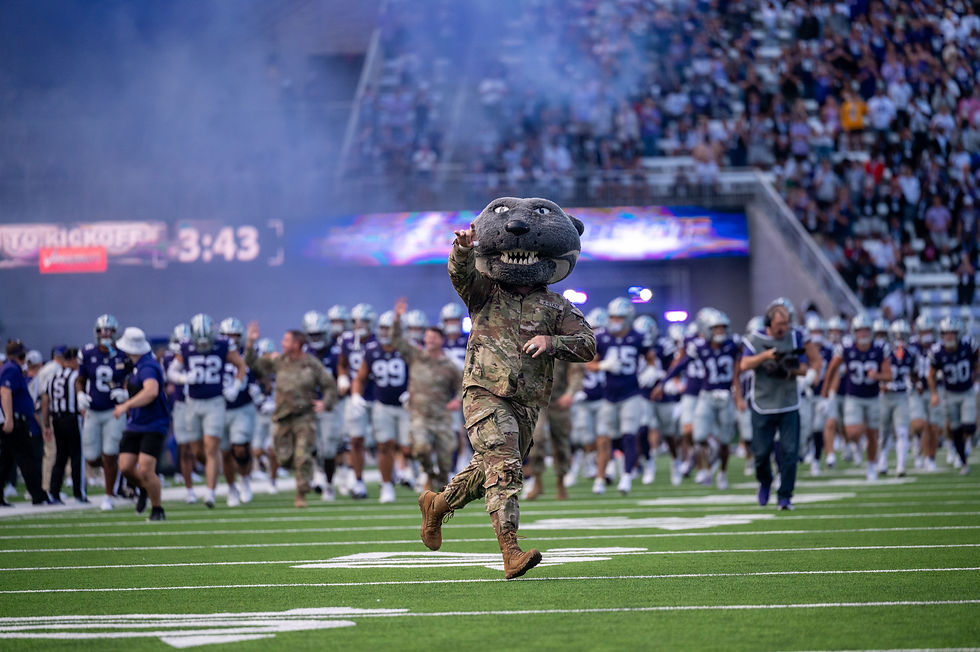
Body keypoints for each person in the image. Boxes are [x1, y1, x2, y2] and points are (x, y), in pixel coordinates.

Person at [417, 197, 595, 580]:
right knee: (507, 466)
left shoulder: (555, 305)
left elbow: (588, 344)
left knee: (489, 469)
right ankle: (510, 549)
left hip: (527, 404)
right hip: (483, 391)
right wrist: (462, 249)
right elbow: (460, 275)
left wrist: (553, 343)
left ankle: (437, 504)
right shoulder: (484, 294)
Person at [738, 302, 822, 510]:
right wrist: (765, 357)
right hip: (763, 402)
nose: (783, 327)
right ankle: (765, 481)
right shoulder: (755, 339)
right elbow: (743, 364)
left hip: (788, 401)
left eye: (786, 323)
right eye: (779, 323)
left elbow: (804, 367)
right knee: (761, 453)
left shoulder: (794, 337)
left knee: (790, 452)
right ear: (769, 322)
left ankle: (785, 496)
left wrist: (788, 368)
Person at [245, 323, 338, 507]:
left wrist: (325, 403)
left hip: (305, 416)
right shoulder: (278, 361)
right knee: (283, 457)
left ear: (296, 344)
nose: (282, 342)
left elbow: (329, 384)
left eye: (286, 340)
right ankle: (299, 471)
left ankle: (301, 493)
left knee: (302, 455)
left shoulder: (311, 363)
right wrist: (250, 342)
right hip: (282, 416)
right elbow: (253, 364)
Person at [166, 313, 247, 508]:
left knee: (211, 449)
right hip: (192, 403)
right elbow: (171, 372)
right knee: (196, 450)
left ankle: (210, 493)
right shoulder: (185, 346)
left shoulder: (222, 345)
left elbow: (241, 366)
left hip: (215, 402)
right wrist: (184, 379)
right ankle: (211, 477)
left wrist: (235, 386)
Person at [391, 300, 462, 493]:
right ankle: (429, 474)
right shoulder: (416, 356)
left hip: (442, 417)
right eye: (427, 337)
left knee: (445, 457)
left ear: (441, 340)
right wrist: (397, 319)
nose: (429, 340)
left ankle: (440, 480)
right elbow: (397, 340)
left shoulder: (449, 365)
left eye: (433, 337)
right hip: (420, 415)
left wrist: (457, 399)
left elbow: (462, 385)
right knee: (420, 449)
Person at [589, 297, 654, 495]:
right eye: (613, 316)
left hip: (631, 394)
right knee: (605, 438)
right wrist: (602, 366)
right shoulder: (602, 337)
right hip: (608, 396)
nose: (615, 320)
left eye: (620, 317)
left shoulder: (638, 336)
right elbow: (589, 364)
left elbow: (651, 359)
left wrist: (650, 372)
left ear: (628, 318)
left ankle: (626, 476)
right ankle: (601, 477)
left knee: (629, 435)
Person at [822, 314, 893, 482]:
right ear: (854, 332)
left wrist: (877, 376)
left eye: (866, 330)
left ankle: (871, 467)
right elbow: (832, 367)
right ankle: (855, 446)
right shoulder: (846, 347)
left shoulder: (879, 348)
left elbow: (888, 375)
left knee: (872, 434)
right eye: (860, 331)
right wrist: (825, 388)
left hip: (873, 397)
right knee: (853, 432)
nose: (863, 334)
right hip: (853, 396)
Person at [352, 310, 410, 503]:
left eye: (389, 329)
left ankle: (409, 472)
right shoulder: (371, 350)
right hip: (382, 405)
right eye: (383, 328)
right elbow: (360, 377)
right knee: (384, 445)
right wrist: (355, 395)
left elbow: (420, 373)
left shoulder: (406, 348)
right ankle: (387, 486)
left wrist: (413, 391)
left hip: (406, 406)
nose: (385, 333)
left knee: (409, 447)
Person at [114, 327, 169, 521]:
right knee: (126, 467)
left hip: (154, 423)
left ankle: (157, 509)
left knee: (146, 469)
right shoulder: (134, 365)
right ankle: (145, 488)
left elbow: (151, 391)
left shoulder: (148, 366)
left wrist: (126, 404)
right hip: (135, 422)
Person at [76, 314, 130, 511]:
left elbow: (132, 379)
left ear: (115, 333)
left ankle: (108, 496)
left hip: (114, 411)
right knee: (91, 458)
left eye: (109, 331)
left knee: (109, 454)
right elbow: (80, 379)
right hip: (93, 410)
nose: (105, 334)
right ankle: (116, 471)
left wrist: (125, 392)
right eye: (102, 331)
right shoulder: (87, 352)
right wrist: (80, 394)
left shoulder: (123, 354)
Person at [524, 357, 582, 500]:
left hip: (559, 399)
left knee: (561, 442)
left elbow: (577, 370)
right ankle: (537, 481)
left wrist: (570, 393)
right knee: (536, 438)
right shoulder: (528, 338)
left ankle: (560, 482)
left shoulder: (562, 338)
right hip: (536, 399)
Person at [336, 303, 377, 499]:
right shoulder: (346, 340)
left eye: (363, 321)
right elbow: (342, 364)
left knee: (385, 441)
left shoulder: (378, 340)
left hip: (377, 394)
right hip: (356, 396)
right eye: (355, 321)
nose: (358, 325)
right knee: (355, 439)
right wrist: (342, 377)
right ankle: (358, 479)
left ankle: (393, 474)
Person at [928, 317, 979, 474]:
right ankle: (963, 460)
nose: (949, 337)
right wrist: (934, 394)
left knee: (969, 426)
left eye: (952, 333)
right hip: (949, 394)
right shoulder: (937, 351)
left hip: (967, 391)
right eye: (946, 334)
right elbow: (931, 375)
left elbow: (977, 363)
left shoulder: (968, 345)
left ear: (958, 334)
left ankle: (970, 441)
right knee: (954, 429)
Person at [0, 340, 49, 505]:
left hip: (17, 419)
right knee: (26, 458)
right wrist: (9, 418)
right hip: (15, 420)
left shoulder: (11, 368)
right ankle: (38, 495)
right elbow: (5, 392)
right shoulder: (11, 369)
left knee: (6, 460)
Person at [40, 347, 85, 504]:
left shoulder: (52, 378)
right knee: (76, 456)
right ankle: (79, 493)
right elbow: (81, 397)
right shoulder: (75, 376)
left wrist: (46, 423)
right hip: (72, 419)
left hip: (57, 420)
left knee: (60, 457)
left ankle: (54, 492)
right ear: (72, 360)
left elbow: (45, 401)